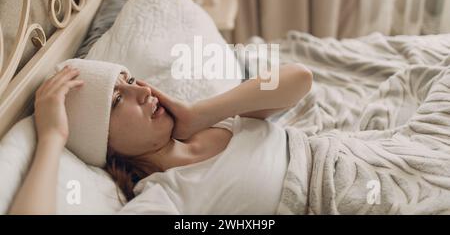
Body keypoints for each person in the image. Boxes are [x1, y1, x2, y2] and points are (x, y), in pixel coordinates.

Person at [8, 58, 313, 215]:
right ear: (105, 145)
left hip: (343, 154)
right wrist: (52, 137)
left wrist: (199, 114)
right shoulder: (162, 196)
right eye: (117, 100)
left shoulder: (217, 124)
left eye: (129, 80)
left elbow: (299, 78)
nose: (143, 91)